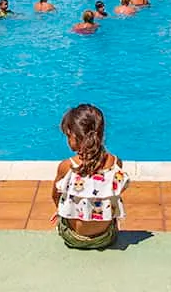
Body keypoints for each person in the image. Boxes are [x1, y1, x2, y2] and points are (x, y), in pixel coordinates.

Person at [52, 104, 128, 250]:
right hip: (106, 237)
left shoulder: (67, 166)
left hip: (74, 238)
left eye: (68, 135)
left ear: (76, 136)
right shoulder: (116, 163)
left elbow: (55, 196)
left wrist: (60, 209)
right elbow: (115, 194)